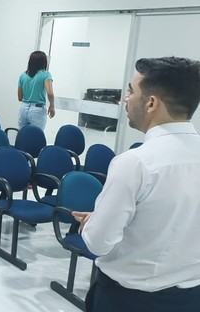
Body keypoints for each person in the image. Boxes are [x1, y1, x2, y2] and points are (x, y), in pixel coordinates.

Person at [72, 57, 200, 312]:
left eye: (131, 91)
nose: (125, 99)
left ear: (151, 103)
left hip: (130, 299)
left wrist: (94, 223)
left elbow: (98, 243)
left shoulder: (135, 163)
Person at [17, 50, 55, 129]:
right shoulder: (46, 74)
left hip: (23, 108)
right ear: (43, 62)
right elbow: (50, 94)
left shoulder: (23, 75)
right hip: (38, 110)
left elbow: (20, 97)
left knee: (23, 134)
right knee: (37, 135)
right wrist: (52, 106)